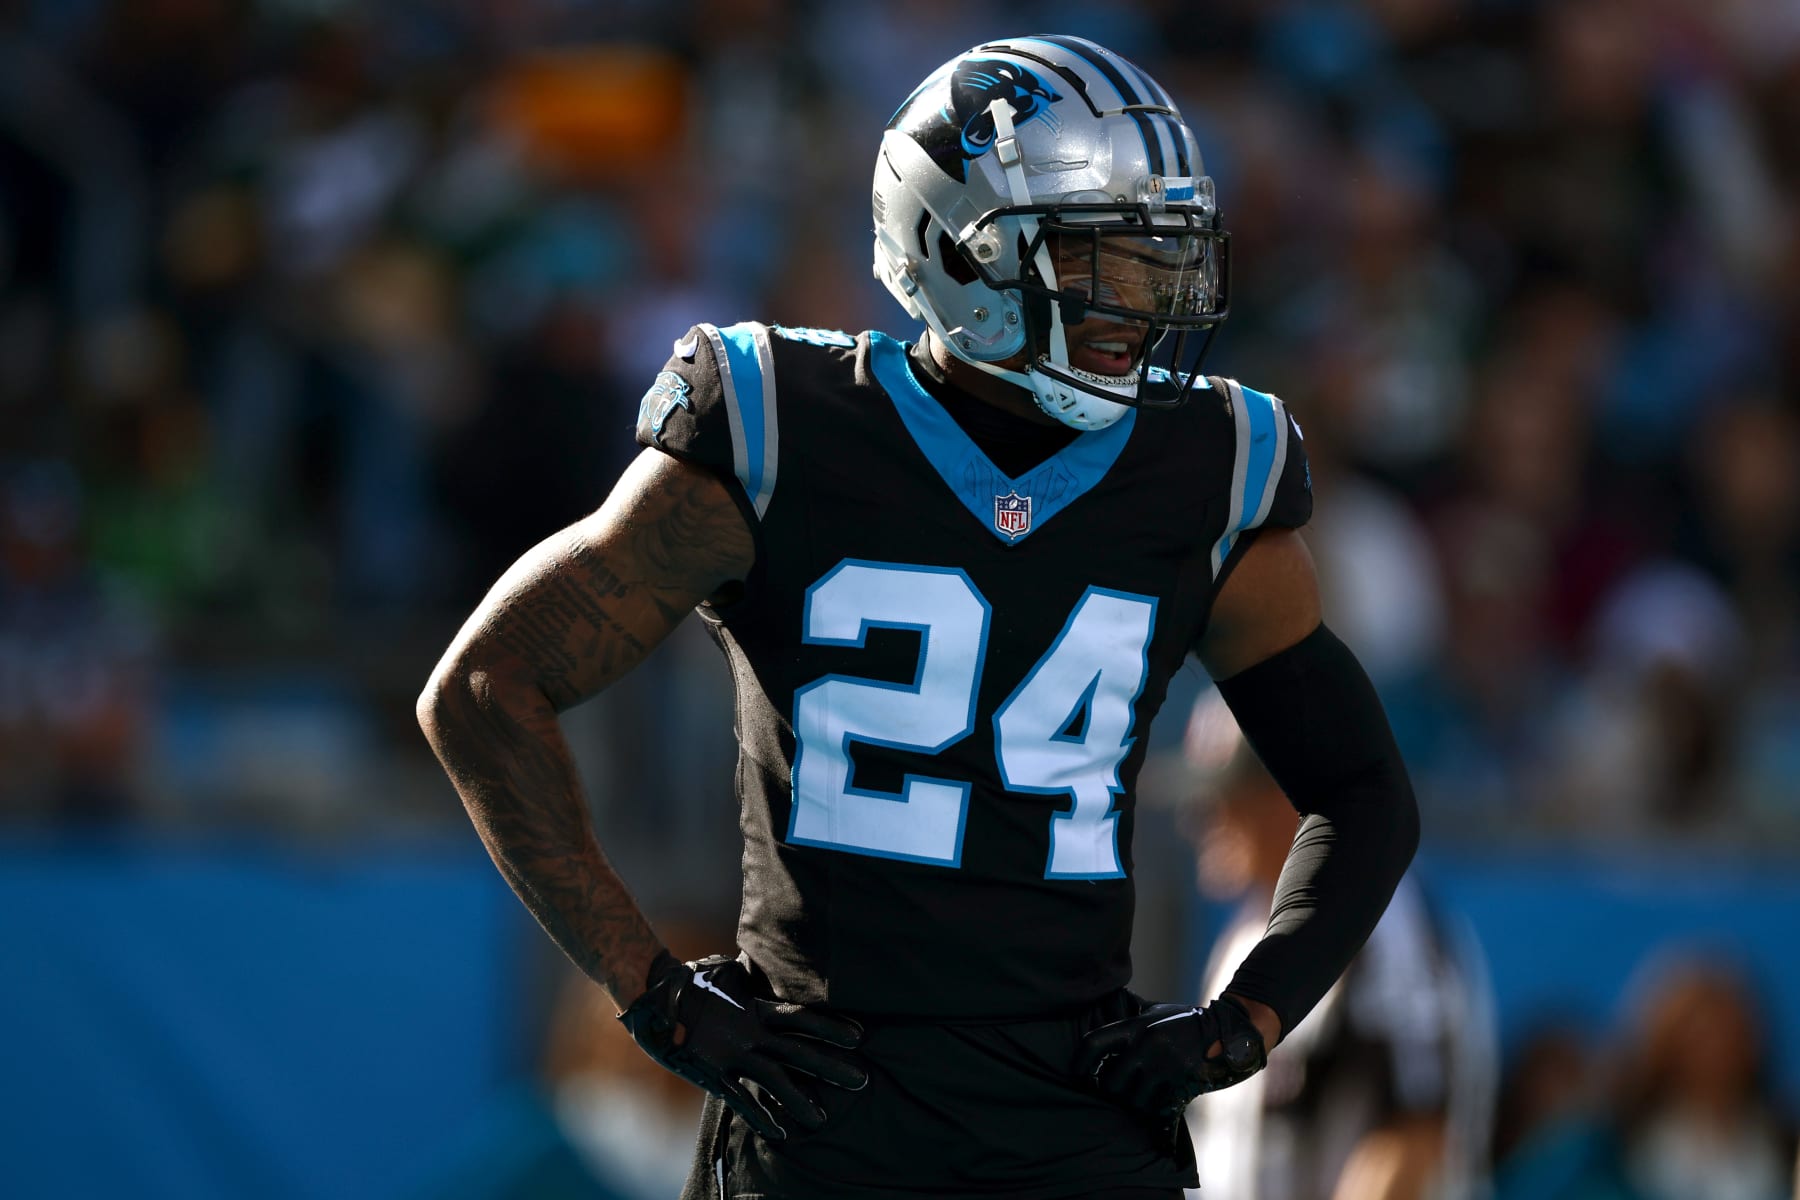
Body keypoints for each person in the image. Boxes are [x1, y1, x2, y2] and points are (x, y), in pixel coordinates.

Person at [418, 35, 1419, 1200]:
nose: (1140, 306)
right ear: (962, 252)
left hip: (1037, 1126)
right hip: (833, 1122)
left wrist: (1241, 1023)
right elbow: (485, 690)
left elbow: (1365, 793)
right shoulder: (775, 425)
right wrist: (651, 991)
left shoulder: (1209, 465)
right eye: (1103, 259)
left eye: (1159, 262)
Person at [1178, 693, 1492, 1200]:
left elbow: (1413, 1136)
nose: (1200, 818)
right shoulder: (1242, 934)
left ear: (1290, 793)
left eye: (1225, 795)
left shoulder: (1381, 918)